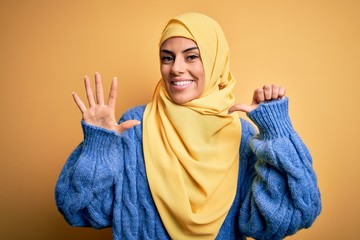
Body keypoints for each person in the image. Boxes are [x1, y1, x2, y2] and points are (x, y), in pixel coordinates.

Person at [55, 12, 321, 240]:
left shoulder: (243, 136)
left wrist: (277, 132)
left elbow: (285, 219)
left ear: (216, 61)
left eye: (192, 56)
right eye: (167, 57)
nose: (176, 69)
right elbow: (82, 212)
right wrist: (97, 147)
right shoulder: (134, 126)